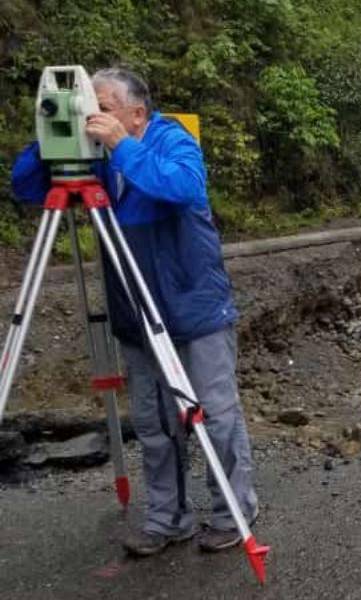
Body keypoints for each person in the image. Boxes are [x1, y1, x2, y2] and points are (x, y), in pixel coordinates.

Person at [10, 67, 258, 557]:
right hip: (135, 313)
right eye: (86, 105)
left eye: (99, 106)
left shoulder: (173, 141)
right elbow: (25, 186)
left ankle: (232, 512)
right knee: (154, 423)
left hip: (195, 309)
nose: (90, 116)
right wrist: (52, 137)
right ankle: (168, 518)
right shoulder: (94, 158)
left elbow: (183, 188)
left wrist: (124, 146)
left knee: (216, 416)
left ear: (136, 113)